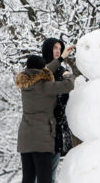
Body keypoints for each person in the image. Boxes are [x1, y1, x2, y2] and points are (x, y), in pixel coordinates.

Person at [16, 51, 75, 183]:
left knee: (28, 178)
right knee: (45, 179)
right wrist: (67, 74)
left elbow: (46, 70)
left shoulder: (25, 84)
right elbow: (69, 85)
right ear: (40, 70)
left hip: (25, 138)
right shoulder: (45, 87)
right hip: (41, 138)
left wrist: (60, 59)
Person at [41, 38, 75, 182]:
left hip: (58, 129)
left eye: (59, 48)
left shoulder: (63, 71)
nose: (57, 50)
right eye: (54, 47)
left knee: (51, 174)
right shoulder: (40, 71)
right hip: (43, 128)